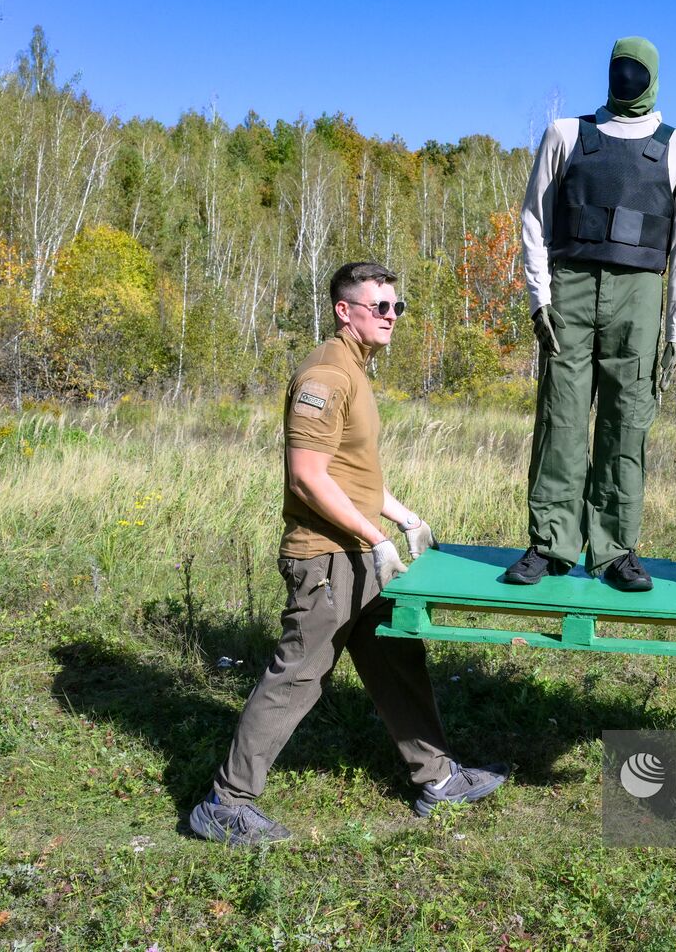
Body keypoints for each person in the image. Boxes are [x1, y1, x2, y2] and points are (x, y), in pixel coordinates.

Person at [189, 261, 508, 845]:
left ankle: (437, 779)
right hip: (327, 558)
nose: (392, 317)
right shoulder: (326, 376)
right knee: (298, 677)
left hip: (359, 551)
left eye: (397, 307)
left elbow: (351, 474)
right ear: (345, 311)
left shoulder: (355, 372)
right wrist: (377, 538)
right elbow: (308, 477)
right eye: (379, 307)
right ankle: (225, 803)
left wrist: (404, 517)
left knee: (397, 660)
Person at [506, 36, 676, 592]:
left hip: (640, 295)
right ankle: (550, 543)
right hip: (568, 288)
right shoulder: (566, 134)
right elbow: (535, 219)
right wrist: (539, 297)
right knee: (560, 421)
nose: (627, 77)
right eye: (619, 67)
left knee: (627, 425)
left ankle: (616, 549)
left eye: (637, 70)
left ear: (654, 76)